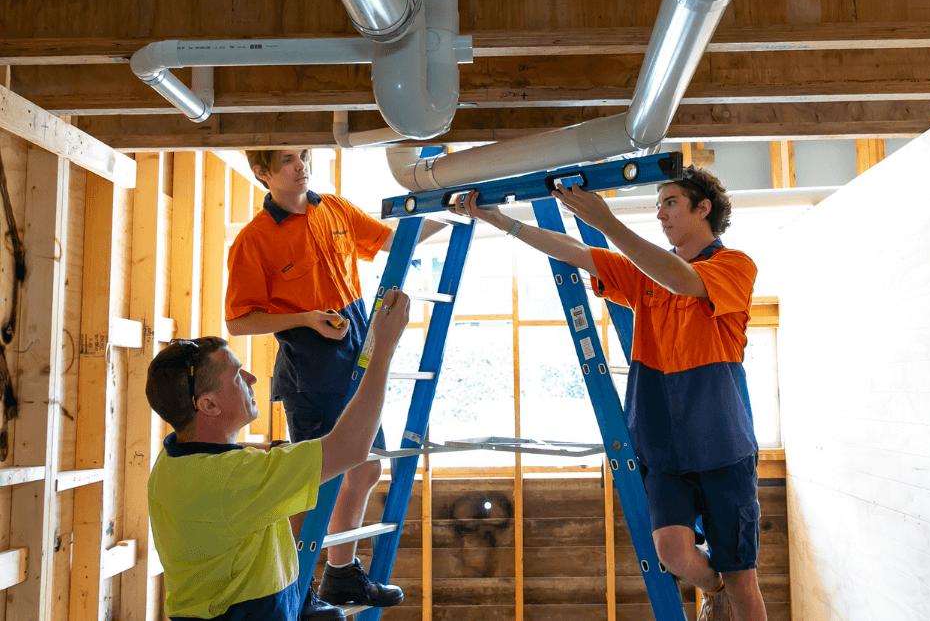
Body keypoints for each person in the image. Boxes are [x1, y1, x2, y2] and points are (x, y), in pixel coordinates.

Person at [450, 165, 763, 621]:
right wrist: (502, 221)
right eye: (657, 206)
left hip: (723, 445)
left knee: (745, 583)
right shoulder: (645, 276)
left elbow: (683, 281)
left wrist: (608, 222)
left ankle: (727, 587)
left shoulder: (734, 265)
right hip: (664, 448)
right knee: (673, 552)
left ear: (703, 208)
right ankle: (713, 587)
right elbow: (575, 251)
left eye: (670, 203)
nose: (660, 214)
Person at [224, 148, 445, 613]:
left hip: (355, 349)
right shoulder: (254, 240)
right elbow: (240, 321)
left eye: (303, 155)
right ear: (261, 172)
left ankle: (339, 574)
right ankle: (293, 588)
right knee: (314, 483)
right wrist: (305, 319)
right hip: (310, 367)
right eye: (286, 160)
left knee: (364, 469)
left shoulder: (336, 210)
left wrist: (453, 206)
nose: (301, 165)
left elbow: (397, 240)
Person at [147, 290, 411, 621]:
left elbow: (226, 471)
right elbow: (352, 447)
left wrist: (274, 451)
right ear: (209, 405)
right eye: (237, 375)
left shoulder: (172, 462)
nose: (253, 379)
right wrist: (383, 350)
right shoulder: (236, 478)